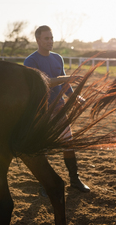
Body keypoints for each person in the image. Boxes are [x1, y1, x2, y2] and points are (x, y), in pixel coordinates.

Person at [24, 25, 90, 193]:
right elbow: (43, 83)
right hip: (41, 110)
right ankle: (44, 183)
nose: (50, 41)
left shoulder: (58, 58)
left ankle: (75, 180)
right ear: (38, 40)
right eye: (46, 38)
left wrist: (75, 98)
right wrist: (65, 78)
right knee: (42, 148)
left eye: (51, 38)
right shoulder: (30, 61)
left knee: (69, 144)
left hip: (59, 108)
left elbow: (65, 85)